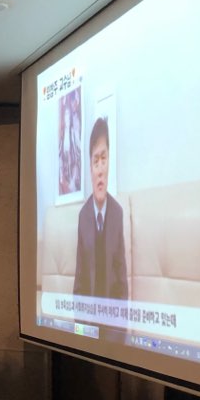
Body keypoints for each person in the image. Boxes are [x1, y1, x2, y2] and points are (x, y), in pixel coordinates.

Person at [73, 117, 128, 300]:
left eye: (103, 159)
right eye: (95, 161)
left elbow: (122, 281)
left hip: (111, 314)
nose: (100, 170)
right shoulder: (83, 216)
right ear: (90, 169)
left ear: (109, 163)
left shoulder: (117, 213)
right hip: (88, 314)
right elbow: (79, 282)